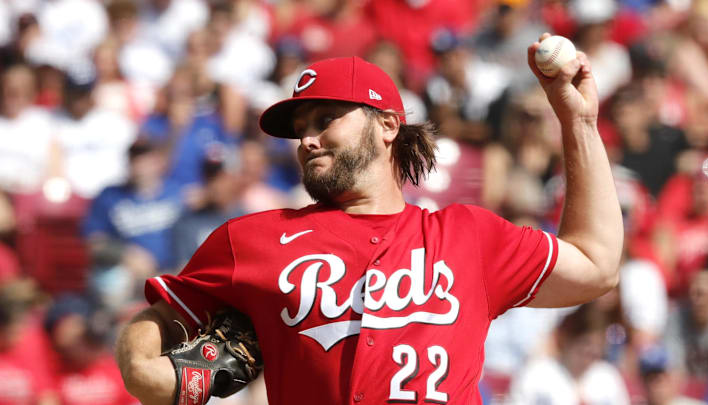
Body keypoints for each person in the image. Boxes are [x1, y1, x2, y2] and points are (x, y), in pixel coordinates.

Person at [116, 33, 623, 405]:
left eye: (325, 119)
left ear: (387, 125)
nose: (307, 139)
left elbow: (597, 265)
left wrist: (577, 122)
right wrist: (149, 374)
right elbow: (157, 322)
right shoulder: (253, 240)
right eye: (300, 129)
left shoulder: (468, 235)